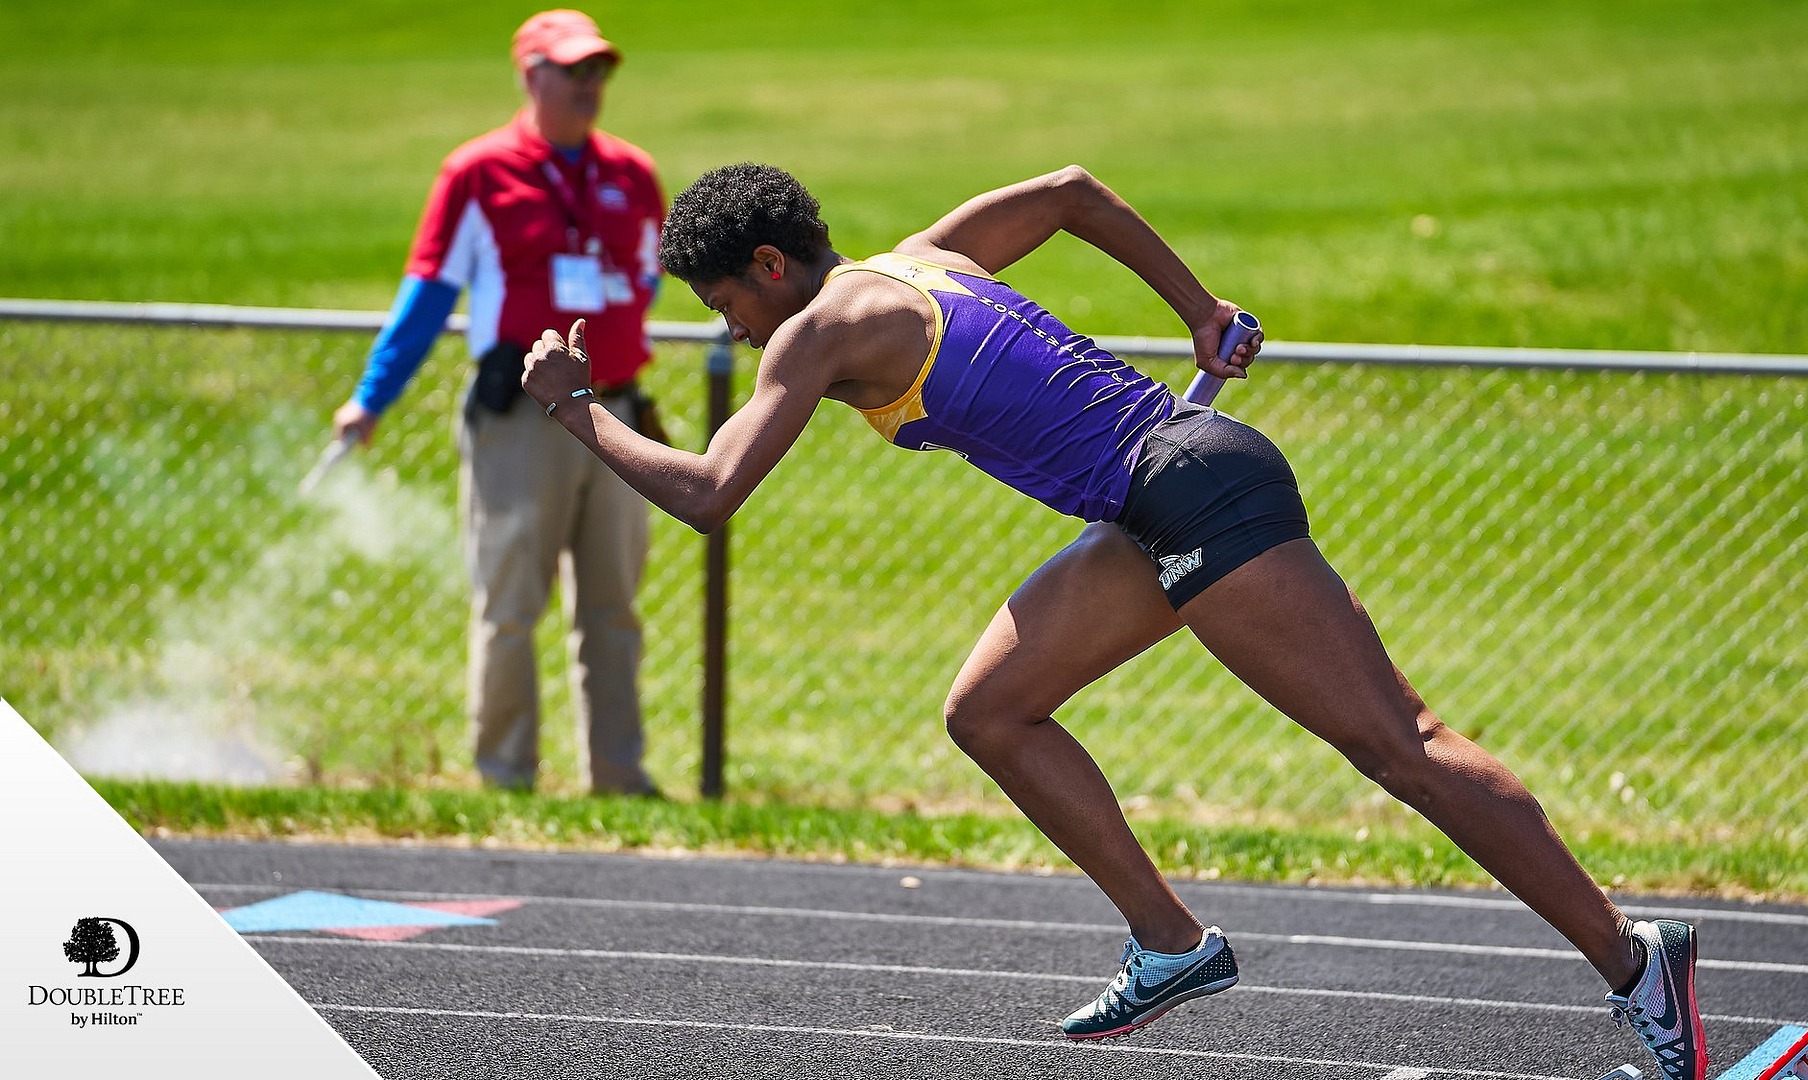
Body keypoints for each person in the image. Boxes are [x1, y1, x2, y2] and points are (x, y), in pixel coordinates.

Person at [521, 162, 1708, 1078]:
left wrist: (578, 412)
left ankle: (1632, 959)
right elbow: (1071, 191)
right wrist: (1198, 309)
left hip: (1188, 491)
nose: (729, 326)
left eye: (723, 300)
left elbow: (711, 493)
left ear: (770, 267)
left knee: (1401, 744)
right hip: (1152, 497)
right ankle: (1171, 943)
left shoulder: (816, 331)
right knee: (990, 711)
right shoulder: (922, 257)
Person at [331, 10, 668, 796]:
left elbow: (649, 279)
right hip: (523, 420)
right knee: (512, 604)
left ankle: (620, 778)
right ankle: (505, 775)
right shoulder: (477, 173)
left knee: (615, 610)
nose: (590, 86)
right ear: (531, 75)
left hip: (616, 412)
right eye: (573, 70)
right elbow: (426, 296)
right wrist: (371, 398)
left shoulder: (632, 172)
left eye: (598, 71)